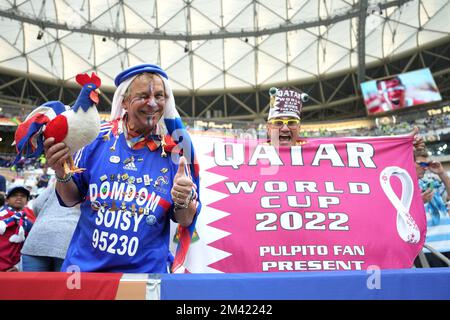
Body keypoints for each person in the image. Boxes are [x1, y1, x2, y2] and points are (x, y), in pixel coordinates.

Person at [43, 64, 201, 273]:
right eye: (143, 95)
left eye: (160, 96)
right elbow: (71, 199)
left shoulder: (175, 151)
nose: (153, 103)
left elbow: (185, 218)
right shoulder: (96, 138)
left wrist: (183, 200)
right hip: (84, 274)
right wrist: (61, 173)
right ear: (124, 101)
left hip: (144, 278)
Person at [21, 182, 80, 271]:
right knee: (61, 284)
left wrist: (46, 218)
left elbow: (37, 204)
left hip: (39, 236)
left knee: (31, 284)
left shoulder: (58, 183)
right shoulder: (89, 186)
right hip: (68, 240)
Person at [414, 148, 450, 267]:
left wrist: (441, 173)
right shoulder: (404, 185)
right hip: (427, 250)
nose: (425, 167)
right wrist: (419, 202)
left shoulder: (432, 182)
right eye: (422, 164)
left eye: (427, 164)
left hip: (447, 245)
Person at [0, 185, 35, 271]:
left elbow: (28, 248)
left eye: (23, 196)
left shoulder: (28, 223)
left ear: (27, 201)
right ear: (7, 200)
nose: (19, 197)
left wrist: (18, 266)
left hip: (11, 270)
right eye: (14, 195)